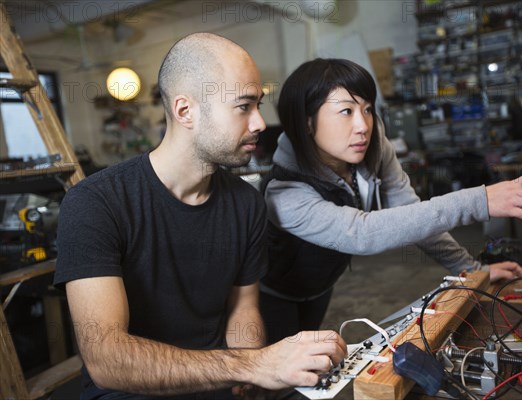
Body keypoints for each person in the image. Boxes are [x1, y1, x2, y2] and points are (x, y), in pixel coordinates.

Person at [53, 34, 346, 400]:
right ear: (185, 110)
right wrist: (253, 365)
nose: (259, 123)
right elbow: (106, 359)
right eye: (243, 107)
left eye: (258, 105)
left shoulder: (245, 203)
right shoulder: (95, 203)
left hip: (221, 381)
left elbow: (243, 309)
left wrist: (248, 370)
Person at [259, 58, 522, 344]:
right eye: (346, 111)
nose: (363, 125)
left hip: (322, 286)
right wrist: (479, 201)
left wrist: (474, 270)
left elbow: (414, 216)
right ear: (307, 122)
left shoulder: (372, 148)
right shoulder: (284, 192)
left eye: (367, 109)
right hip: (272, 295)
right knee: (274, 378)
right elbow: (361, 234)